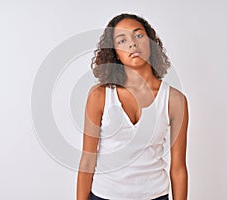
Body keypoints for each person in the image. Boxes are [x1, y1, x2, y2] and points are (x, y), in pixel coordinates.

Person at [77, 13, 189, 200]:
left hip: (156, 195)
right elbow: (87, 161)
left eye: (138, 35)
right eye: (122, 40)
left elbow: (178, 168)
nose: (132, 44)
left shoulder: (175, 100)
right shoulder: (99, 95)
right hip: (104, 195)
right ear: (115, 53)